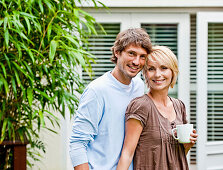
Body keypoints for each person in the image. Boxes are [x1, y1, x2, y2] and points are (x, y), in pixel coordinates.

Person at [69, 28, 152, 170]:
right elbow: (77, 144)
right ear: (117, 52)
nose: (136, 62)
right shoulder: (97, 90)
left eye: (142, 56)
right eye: (131, 53)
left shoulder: (138, 86)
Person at [117, 46, 198, 170]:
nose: (157, 74)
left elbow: (176, 157)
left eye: (164, 68)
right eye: (151, 69)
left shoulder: (179, 106)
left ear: (173, 71)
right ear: (145, 74)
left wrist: (187, 146)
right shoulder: (141, 106)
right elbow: (127, 154)